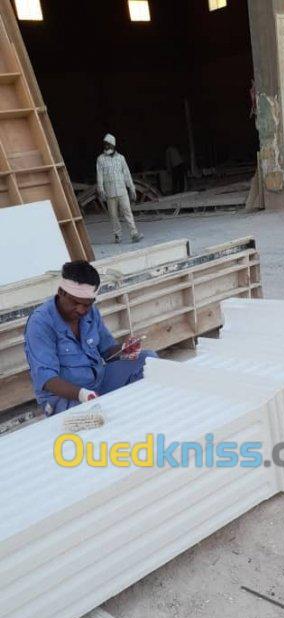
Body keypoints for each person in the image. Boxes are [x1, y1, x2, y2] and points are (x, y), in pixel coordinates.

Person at [24, 260, 157, 417]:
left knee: (148, 359)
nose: (81, 310)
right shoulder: (40, 323)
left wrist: (124, 349)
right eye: (75, 303)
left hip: (97, 383)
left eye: (87, 304)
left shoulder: (91, 312)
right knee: (97, 415)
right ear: (61, 292)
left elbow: (107, 351)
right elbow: (47, 380)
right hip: (64, 397)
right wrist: (82, 394)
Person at [97, 133, 143, 244]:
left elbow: (127, 174)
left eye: (108, 144)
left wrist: (132, 188)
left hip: (122, 191)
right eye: (105, 144)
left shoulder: (121, 158)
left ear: (113, 145)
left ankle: (134, 233)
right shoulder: (100, 159)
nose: (106, 146)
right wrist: (101, 189)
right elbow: (99, 175)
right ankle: (117, 235)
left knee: (127, 212)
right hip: (109, 193)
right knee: (113, 215)